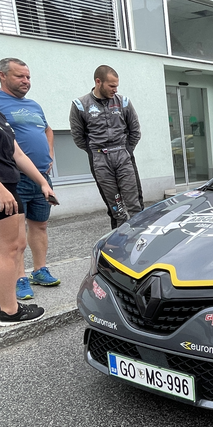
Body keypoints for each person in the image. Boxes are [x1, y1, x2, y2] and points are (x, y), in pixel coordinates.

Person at [0, 58, 60, 301]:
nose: (26, 81)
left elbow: (47, 129)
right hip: (15, 179)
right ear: (2, 76)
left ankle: (39, 270)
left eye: (28, 77)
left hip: (40, 176)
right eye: (20, 76)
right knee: (17, 239)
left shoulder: (34, 105)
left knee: (40, 225)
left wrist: (49, 154)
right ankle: (18, 279)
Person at [0, 109, 57, 325]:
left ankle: (8, 303)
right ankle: (8, 310)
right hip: (2, 188)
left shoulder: (2, 118)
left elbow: (19, 155)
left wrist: (42, 182)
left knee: (18, 245)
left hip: (10, 184)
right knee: (7, 248)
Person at [69, 65, 143, 229]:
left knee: (135, 204)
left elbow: (135, 131)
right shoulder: (80, 105)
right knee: (116, 207)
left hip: (123, 156)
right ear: (98, 82)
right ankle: (119, 244)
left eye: (117, 86)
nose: (115, 89)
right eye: (111, 86)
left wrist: (127, 150)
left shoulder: (123, 102)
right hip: (100, 159)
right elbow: (78, 136)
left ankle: (141, 240)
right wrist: (95, 152)